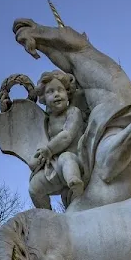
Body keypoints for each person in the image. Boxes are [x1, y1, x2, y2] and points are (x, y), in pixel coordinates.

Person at [28, 70, 86, 209]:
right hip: (54, 167)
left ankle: (74, 182)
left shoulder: (73, 112)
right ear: (43, 98)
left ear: (68, 93)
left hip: (77, 159)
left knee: (67, 158)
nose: (56, 94)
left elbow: (67, 135)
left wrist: (48, 149)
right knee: (34, 189)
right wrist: (38, 158)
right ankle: (47, 217)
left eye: (60, 90)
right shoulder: (46, 121)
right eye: (50, 92)